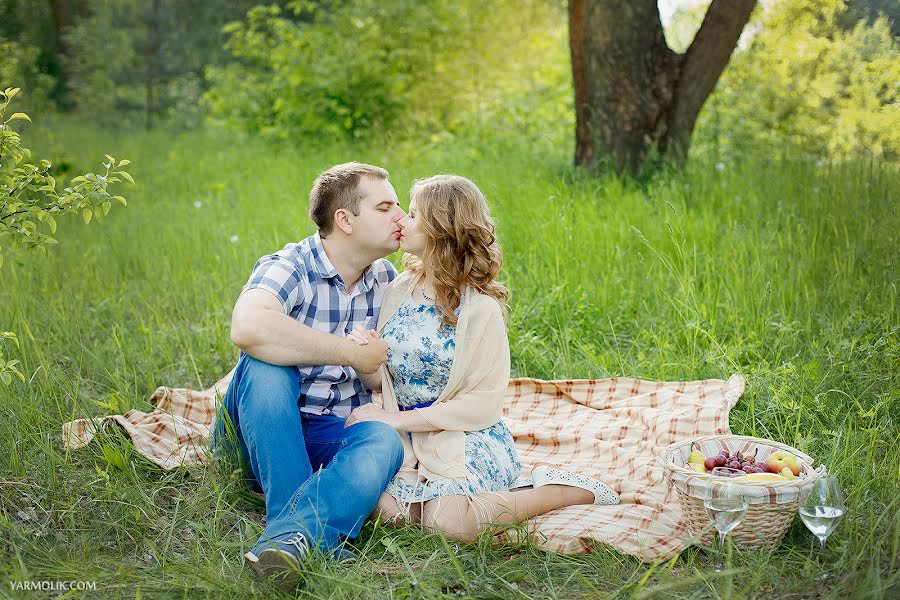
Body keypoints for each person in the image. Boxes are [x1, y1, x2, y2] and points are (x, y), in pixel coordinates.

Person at [343, 174, 619, 543]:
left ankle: (561, 492)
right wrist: (366, 361)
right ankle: (452, 500)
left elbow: (482, 406)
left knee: (448, 527)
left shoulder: (480, 308)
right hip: (408, 435)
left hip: (464, 433)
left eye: (412, 215)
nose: (401, 222)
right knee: (386, 514)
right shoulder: (399, 289)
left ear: (442, 228)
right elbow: (385, 381)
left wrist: (392, 419)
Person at [211, 162, 408, 590]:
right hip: (256, 428)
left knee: (384, 439)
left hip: (328, 431)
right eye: (386, 206)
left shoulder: (387, 280)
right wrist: (349, 354)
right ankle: (300, 528)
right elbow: (247, 327)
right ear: (345, 220)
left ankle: (288, 541)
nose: (402, 216)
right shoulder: (290, 266)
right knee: (266, 363)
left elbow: (382, 374)